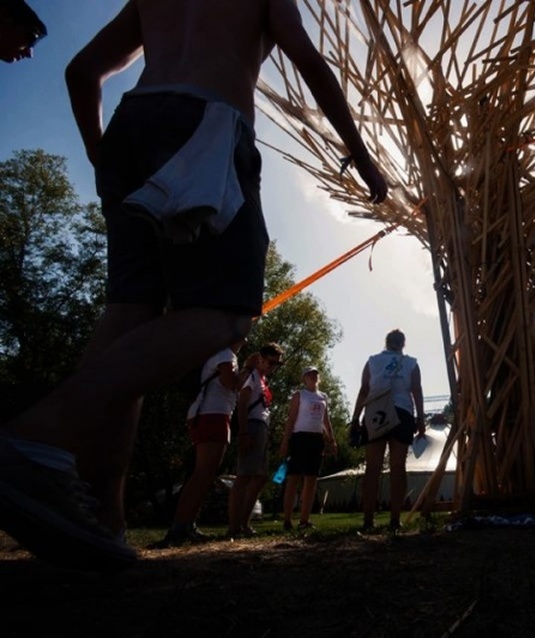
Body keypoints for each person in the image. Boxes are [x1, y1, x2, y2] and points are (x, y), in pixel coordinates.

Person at [0, 0, 386, 571]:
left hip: (133, 124)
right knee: (228, 312)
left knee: (131, 312)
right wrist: (361, 154)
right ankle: (37, 437)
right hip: (206, 124)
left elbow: (81, 72)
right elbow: (307, 59)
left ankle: (102, 515)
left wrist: (101, 152)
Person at [154, 340, 259, 548]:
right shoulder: (224, 354)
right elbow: (232, 385)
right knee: (203, 473)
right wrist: (248, 367)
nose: (245, 336)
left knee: (204, 473)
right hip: (213, 414)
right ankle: (180, 526)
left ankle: (186, 524)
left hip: (211, 414)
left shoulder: (223, 354)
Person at [351, 329, 426, 532]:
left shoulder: (372, 361)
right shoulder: (411, 363)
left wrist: (355, 417)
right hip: (402, 412)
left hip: (376, 412)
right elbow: (417, 390)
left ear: (386, 342)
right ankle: (395, 519)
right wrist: (420, 418)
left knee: (372, 468)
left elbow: (364, 390)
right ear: (403, 344)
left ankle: (368, 520)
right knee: (398, 467)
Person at [228, 342, 283, 538]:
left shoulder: (262, 380)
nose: (273, 367)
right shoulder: (251, 376)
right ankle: (234, 526)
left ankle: (244, 523)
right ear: (260, 358)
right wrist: (243, 432)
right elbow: (242, 404)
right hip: (251, 425)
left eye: (277, 364)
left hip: (262, 427)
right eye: (271, 362)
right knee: (244, 475)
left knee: (260, 476)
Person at [279, 365, 337, 531]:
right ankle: (287, 519)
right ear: (304, 378)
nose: (313, 376)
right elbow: (291, 419)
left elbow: (326, 420)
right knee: (293, 478)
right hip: (299, 437)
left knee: (311, 479)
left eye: (315, 374)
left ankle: (304, 520)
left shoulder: (323, 397)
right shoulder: (300, 395)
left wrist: (331, 439)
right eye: (309, 374)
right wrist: (285, 441)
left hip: (316, 439)